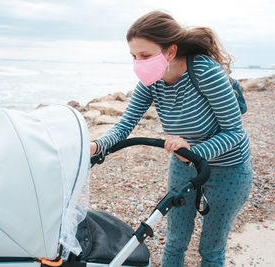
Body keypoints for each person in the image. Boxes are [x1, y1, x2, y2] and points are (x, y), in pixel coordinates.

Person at [90, 10, 252, 267]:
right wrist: (96, 145)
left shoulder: (205, 72)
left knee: (211, 247)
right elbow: (124, 127)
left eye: (145, 55)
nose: (138, 62)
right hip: (184, 161)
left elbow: (234, 131)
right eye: (133, 56)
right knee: (175, 240)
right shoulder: (150, 81)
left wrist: (197, 151)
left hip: (229, 169)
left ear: (170, 51)